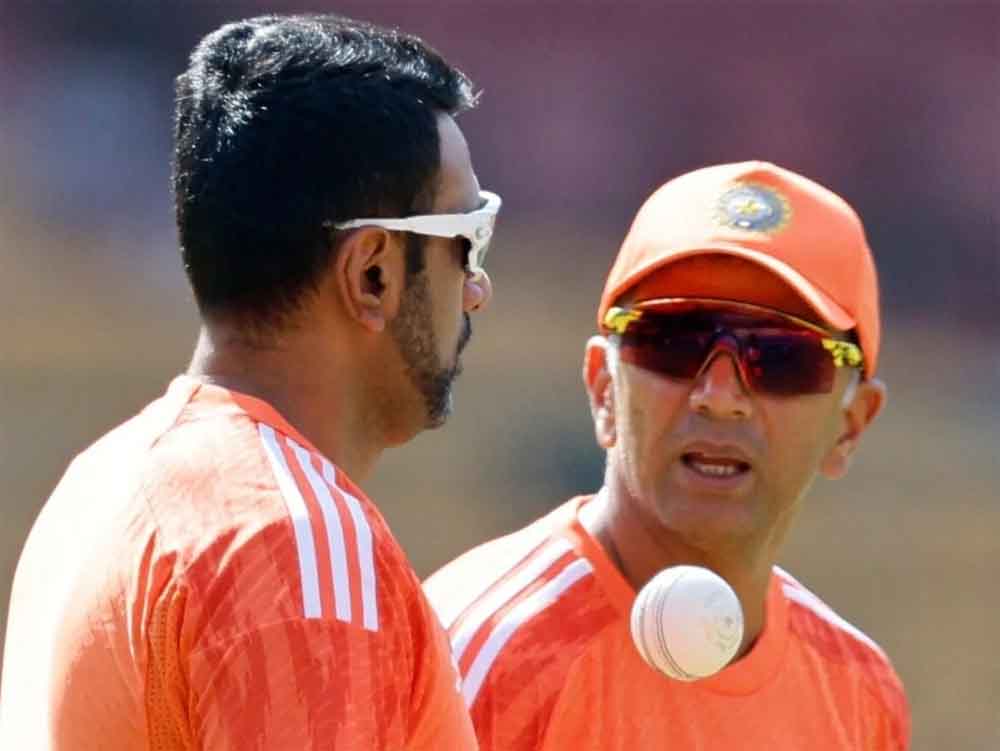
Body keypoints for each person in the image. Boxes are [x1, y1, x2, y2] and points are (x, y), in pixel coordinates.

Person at [1, 13, 500, 750]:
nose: (478, 288)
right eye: (467, 239)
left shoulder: (97, 484)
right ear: (372, 272)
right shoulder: (296, 543)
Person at [425, 161, 910, 750]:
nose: (720, 397)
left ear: (851, 427)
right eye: (673, 342)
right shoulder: (478, 656)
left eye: (783, 358)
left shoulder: (858, 696)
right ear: (604, 388)